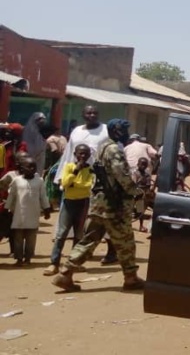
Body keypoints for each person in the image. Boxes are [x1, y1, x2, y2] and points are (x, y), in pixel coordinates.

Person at [51, 118, 146, 292]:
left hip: (100, 203)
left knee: (89, 240)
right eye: (124, 130)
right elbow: (122, 176)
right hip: (114, 205)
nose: (126, 134)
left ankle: (65, 273)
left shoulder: (103, 146)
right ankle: (131, 278)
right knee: (125, 241)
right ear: (117, 131)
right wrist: (136, 192)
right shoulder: (113, 149)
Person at [52, 105, 117, 264]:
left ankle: (111, 251)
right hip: (76, 178)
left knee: (101, 216)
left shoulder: (106, 130)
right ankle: (68, 256)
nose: (92, 115)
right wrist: (61, 177)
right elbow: (68, 153)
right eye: (88, 112)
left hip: (100, 178)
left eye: (95, 112)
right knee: (74, 221)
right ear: (83, 115)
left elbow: (114, 152)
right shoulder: (77, 131)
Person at [45, 144, 93, 275]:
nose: (83, 156)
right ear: (75, 155)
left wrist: (74, 184)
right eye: (80, 153)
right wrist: (76, 171)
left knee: (78, 235)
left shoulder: (90, 170)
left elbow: (89, 185)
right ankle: (54, 263)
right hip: (68, 203)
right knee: (61, 234)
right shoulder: (69, 167)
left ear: (89, 155)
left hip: (83, 203)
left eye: (85, 153)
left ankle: (73, 263)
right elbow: (65, 183)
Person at [7, 156, 51, 266]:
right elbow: (11, 196)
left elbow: (43, 197)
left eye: (34, 167)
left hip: (33, 215)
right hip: (18, 215)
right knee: (18, 239)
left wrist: (46, 209)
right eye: (29, 167)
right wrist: (8, 209)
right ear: (21, 169)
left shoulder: (39, 181)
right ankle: (19, 259)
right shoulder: (17, 181)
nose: (31, 169)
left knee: (31, 239)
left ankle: (28, 258)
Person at [0, 151, 30, 257]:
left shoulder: (32, 175)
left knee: (18, 231)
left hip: (24, 209)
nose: (27, 160)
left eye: (27, 157)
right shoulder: (11, 175)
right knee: (6, 228)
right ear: (17, 162)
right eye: (23, 158)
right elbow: (1, 185)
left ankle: (16, 251)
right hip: (10, 209)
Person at [131, 157, 153, 232]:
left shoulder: (147, 174)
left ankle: (141, 226)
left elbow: (148, 185)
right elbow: (134, 184)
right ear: (138, 164)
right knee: (129, 210)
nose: (143, 166)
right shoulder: (135, 173)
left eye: (145, 165)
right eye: (142, 164)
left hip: (142, 195)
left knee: (141, 211)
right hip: (134, 194)